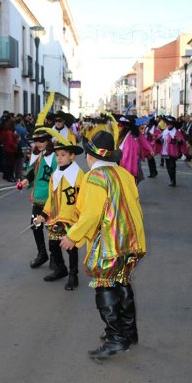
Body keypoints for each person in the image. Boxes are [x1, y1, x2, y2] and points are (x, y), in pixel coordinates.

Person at [60, 129, 146, 359]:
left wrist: (73, 237)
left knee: (105, 286)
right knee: (122, 282)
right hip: (132, 242)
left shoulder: (94, 178)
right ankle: (129, 332)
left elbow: (90, 215)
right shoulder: (124, 174)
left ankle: (116, 338)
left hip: (110, 244)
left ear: (90, 156)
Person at [33, 129, 84, 290]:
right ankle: (60, 269)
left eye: (63, 155)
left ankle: (73, 275)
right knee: (53, 245)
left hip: (71, 219)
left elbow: (82, 199)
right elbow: (51, 198)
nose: (59, 158)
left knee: (70, 248)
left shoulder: (78, 174)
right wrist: (43, 214)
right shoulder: (55, 175)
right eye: (57, 155)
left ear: (71, 156)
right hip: (55, 218)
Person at [20, 92, 57, 268]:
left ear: (49, 139)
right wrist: (27, 180)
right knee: (35, 225)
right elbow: (33, 172)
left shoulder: (56, 156)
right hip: (39, 197)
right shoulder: (39, 155)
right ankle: (42, 254)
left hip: (51, 198)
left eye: (42, 140)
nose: (39, 143)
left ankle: (56, 259)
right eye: (36, 141)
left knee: (53, 228)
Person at [157, 116, 187, 186]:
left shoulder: (176, 132)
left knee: (172, 166)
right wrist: (157, 140)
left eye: (169, 124)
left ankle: (173, 181)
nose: (167, 125)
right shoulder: (165, 131)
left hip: (173, 152)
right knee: (168, 166)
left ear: (173, 124)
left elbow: (183, 141)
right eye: (167, 124)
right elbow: (160, 139)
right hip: (165, 151)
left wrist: (180, 141)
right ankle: (171, 179)